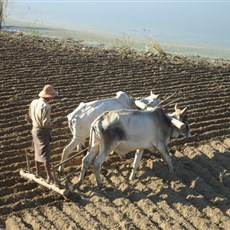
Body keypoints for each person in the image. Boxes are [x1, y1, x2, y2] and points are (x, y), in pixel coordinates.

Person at [29, 84, 63, 184]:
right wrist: (57, 124)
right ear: (49, 96)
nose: (53, 98)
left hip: (34, 129)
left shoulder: (34, 102)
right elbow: (46, 123)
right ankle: (49, 176)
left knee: (37, 151)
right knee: (46, 154)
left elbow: (30, 115)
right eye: (52, 96)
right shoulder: (46, 106)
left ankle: (38, 171)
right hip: (43, 132)